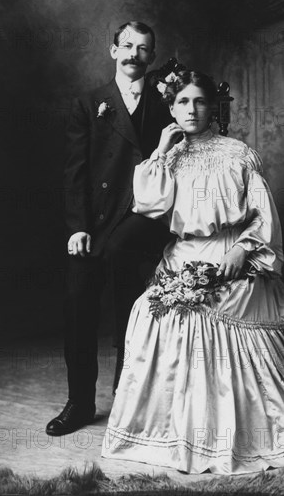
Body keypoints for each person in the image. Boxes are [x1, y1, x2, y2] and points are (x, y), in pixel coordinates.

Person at [101, 70, 284, 474]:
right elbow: (150, 204)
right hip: (182, 256)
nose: (192, 110)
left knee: (214, 311)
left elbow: (262, 215)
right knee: (153, 312)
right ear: (171, 110)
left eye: (200, 102)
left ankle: (232, 432)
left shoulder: (238, 153)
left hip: (232, 253)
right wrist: (159, 148)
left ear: (213, 107)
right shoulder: (168, 157)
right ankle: (177, 431)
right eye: (182, 103)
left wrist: (243, 250)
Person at [46, 22, 173, 437]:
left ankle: (127, 400)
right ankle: (79, 402)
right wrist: (78, 227)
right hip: (96, 222)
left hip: (140, 220)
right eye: (128, 46)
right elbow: (75, 172)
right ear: (113, 50)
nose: (134, 54)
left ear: (152, 58)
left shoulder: (164, 102)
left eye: (144, 49)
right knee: (78, 310)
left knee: (130, 314)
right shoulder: (89, 103)